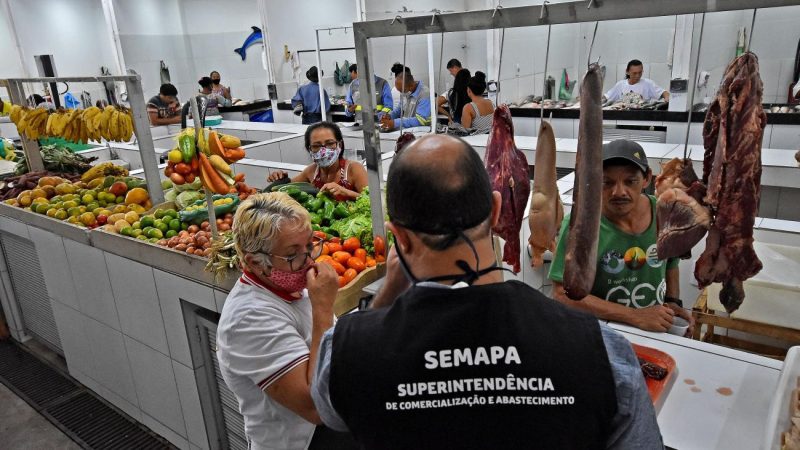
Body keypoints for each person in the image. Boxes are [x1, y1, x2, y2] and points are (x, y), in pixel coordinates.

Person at [310, 134, 663, 449]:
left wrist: (387, 292)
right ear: (495, 211)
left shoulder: (346, 351)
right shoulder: (603, 351)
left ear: (398, 238)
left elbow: (330, 412)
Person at [216, 192, 338, 450]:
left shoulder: (295, 287)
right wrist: (324, 309)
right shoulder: (249, 319)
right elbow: (314, 407)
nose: (308, 261)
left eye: (309, 246)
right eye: (293, 254)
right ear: (255, 262)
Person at [548, 140, 694, 334]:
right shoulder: (581, 225)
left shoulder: (664, 214)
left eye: (630, 181)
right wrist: (634, 315)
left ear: (647, 178)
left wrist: (672, 301)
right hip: (600, 332)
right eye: (607, 182)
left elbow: (671, 263)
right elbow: (561, 294)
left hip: (652, 330)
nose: (619, 192)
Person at [267, 122, 367, 201]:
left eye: (330, 143)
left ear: (339, 145)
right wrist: (280, 178)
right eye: (316, 146)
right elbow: (285, 188)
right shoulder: (311, 172)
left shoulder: (354, 169)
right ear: (309, 149)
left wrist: (346, 192)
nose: (323, 150)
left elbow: (373, 201)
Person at [605, 59, 670, 103]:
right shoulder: (620, 85)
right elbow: (606, 97)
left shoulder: (648, 83)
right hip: (623, 118)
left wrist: (667, 97)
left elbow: (664, 93)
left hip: (642, 118)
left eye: (640, 72)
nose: (638, 75)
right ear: (627, 72)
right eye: (634, 73)